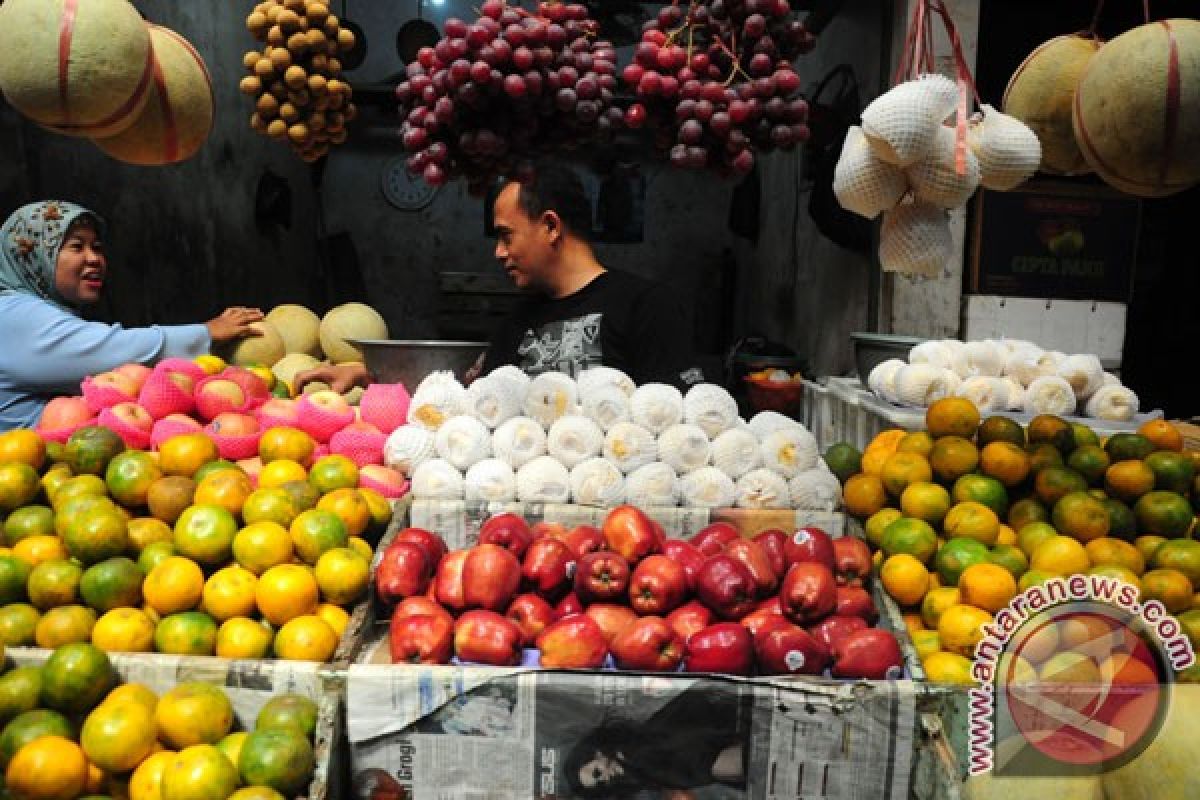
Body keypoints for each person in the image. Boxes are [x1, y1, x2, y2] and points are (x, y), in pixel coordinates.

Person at [295, 162, 703, 393]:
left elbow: (679, 426)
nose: (498, 252)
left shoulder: (647, 307)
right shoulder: (519, 320)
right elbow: (471, 397)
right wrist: (371, 379)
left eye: (507, 236)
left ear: (551, 226)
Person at [0, 200, 264, 430]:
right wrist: (206, 333)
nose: (95, 259)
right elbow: (109, 350)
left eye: (97, 247)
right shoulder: (15, 315)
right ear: (33, 257)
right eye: (77, 247)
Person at [561, 683, 749, 799]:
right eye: (601, 785)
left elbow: (739, 763)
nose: (606, 779)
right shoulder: (650, 767)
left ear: (598, 753)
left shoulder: (647, 754)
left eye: (597, 773)